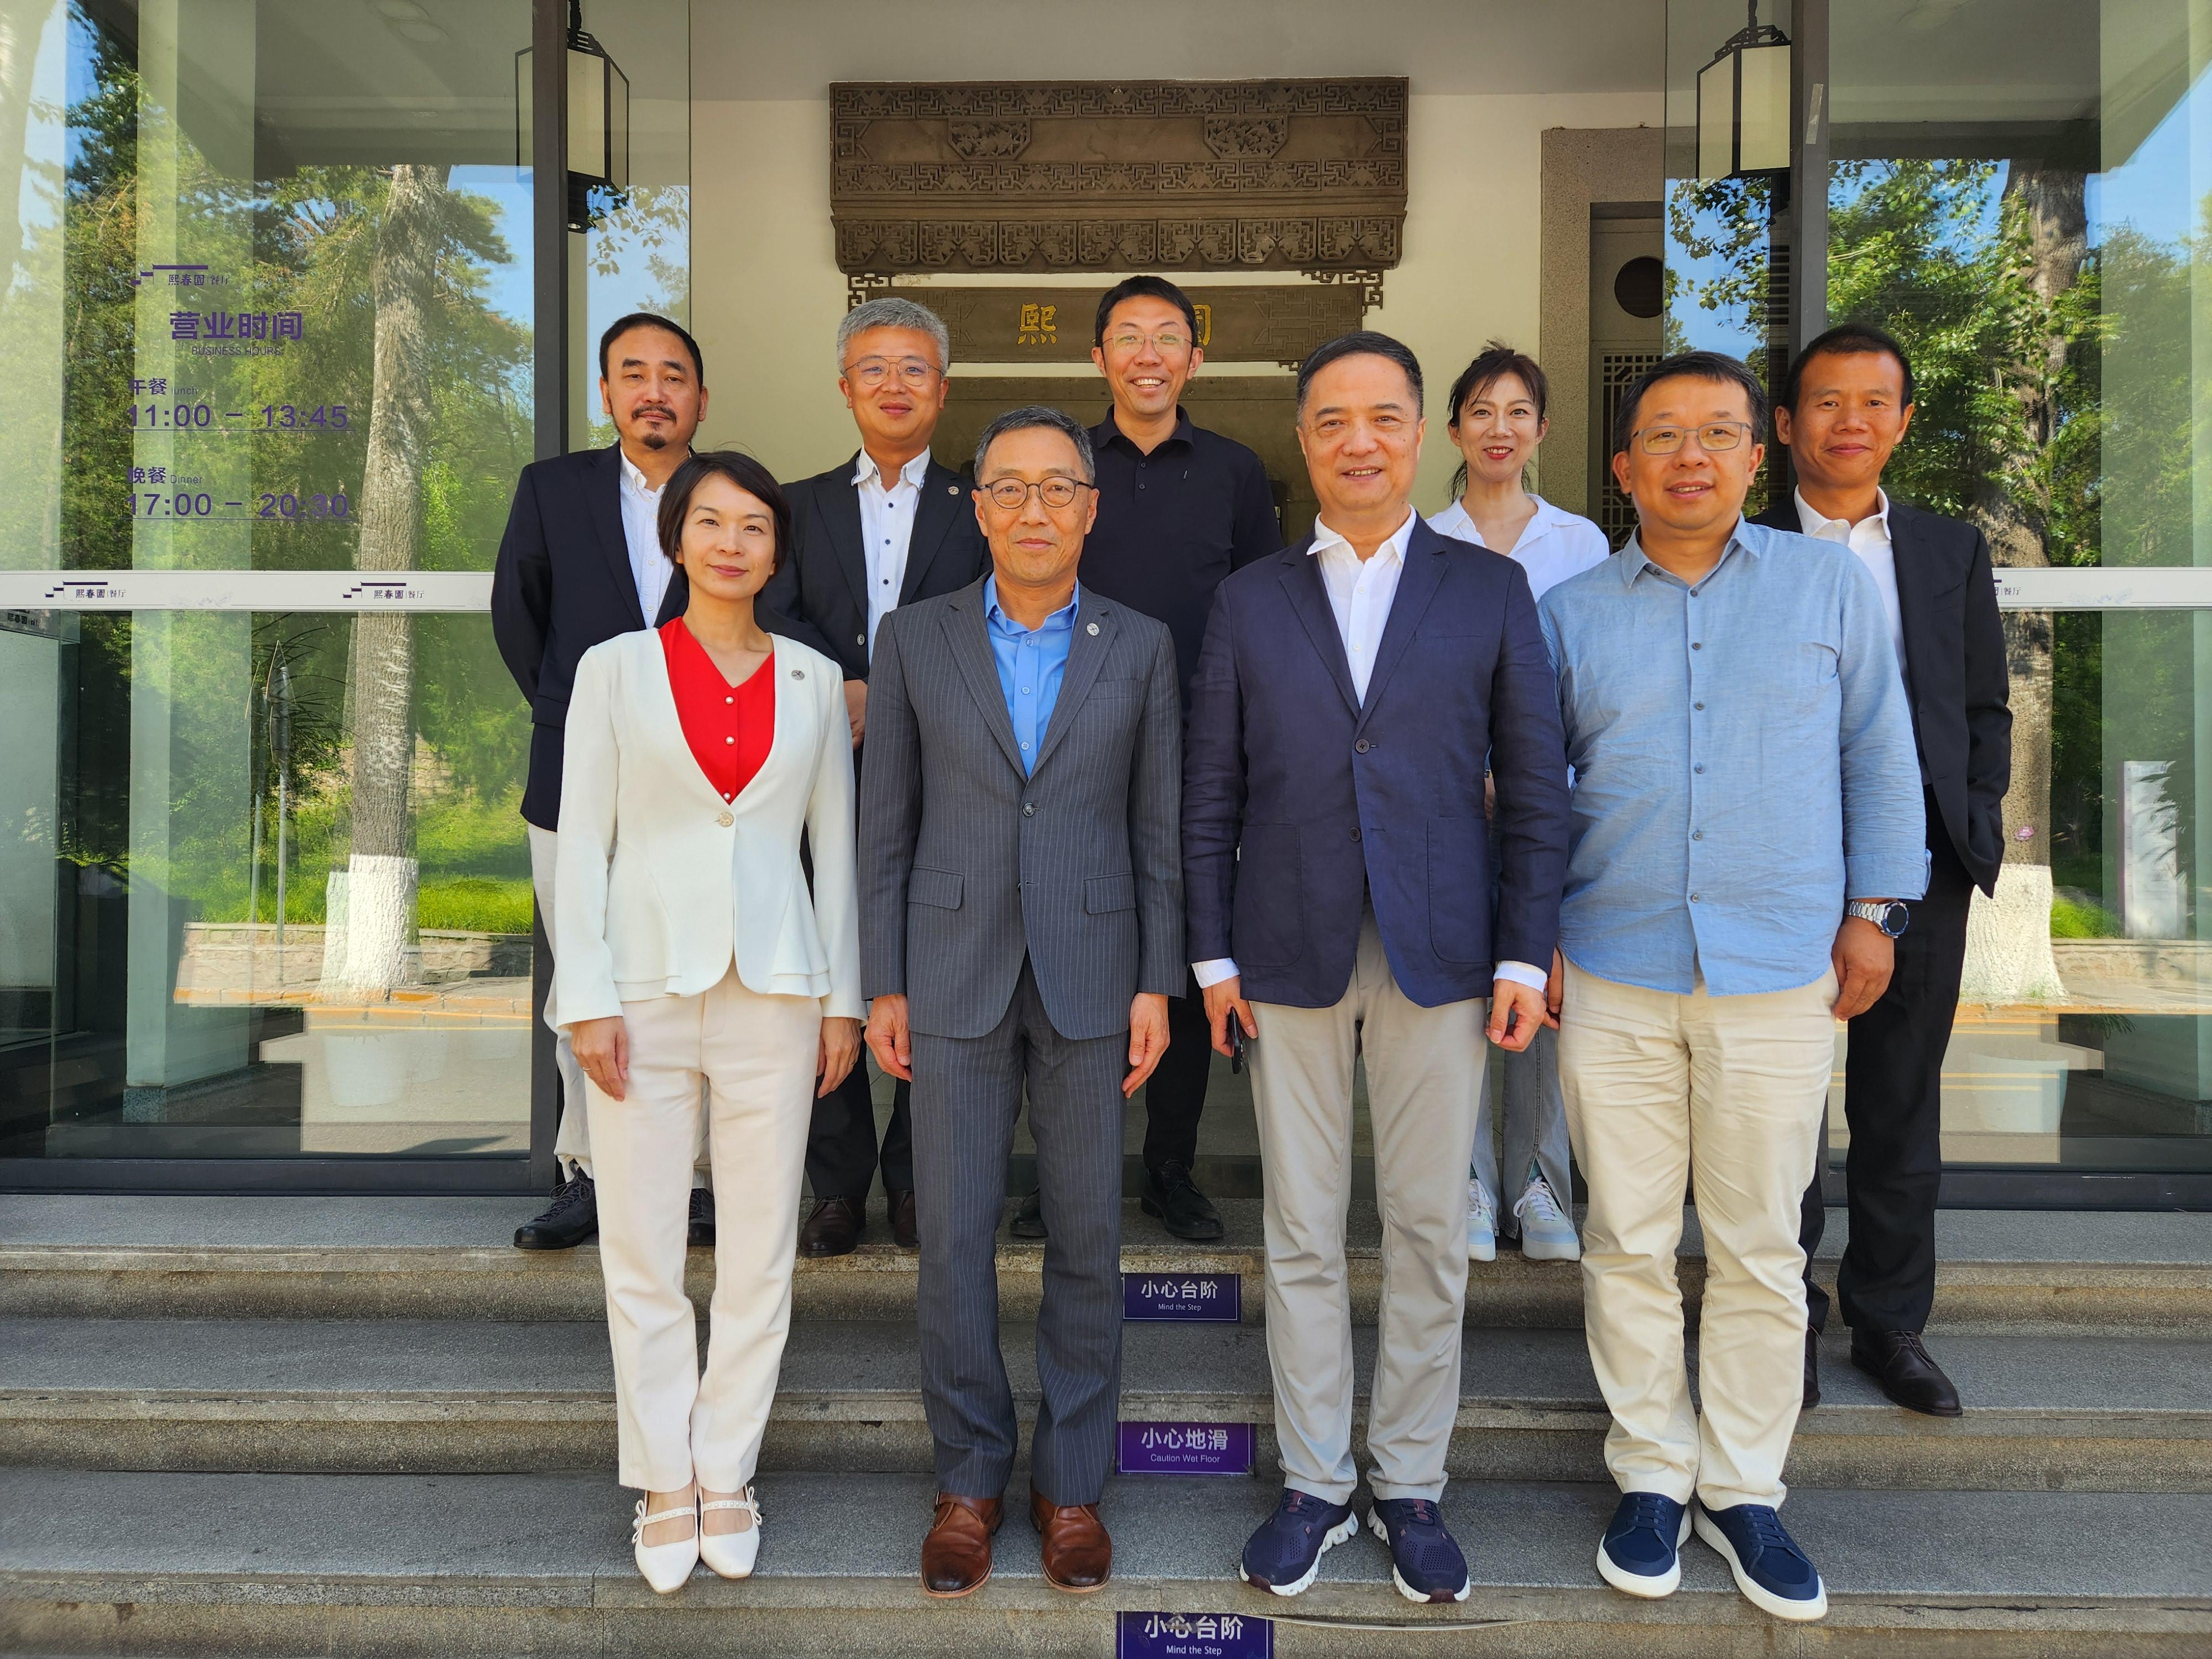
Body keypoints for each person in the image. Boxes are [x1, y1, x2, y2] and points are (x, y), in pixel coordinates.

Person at [1184, 332, 1570, 1605]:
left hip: (1442, 947)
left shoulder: (1486, 590)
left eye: (1384, 417)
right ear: (1303, 439)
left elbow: (1533, 789)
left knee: (1426, 1226)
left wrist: (1522, 951)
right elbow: (1208, 792)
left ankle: (1407, 1481)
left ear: (1419, 434)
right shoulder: (1248, 598)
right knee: (1299, 1227)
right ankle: (1312, 1482)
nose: (1359, 441)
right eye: (1332, 420)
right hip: (1281, 944)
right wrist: (1210, 954)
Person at [1541, 351, 1926, 1622]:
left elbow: (1879, 753)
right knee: (1626, 1239)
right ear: (1622, 467)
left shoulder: (1823, 587)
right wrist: (1530, 934)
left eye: (1716, 433)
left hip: (1776, 969)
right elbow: (1531, 791)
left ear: (1758, 457)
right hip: (1611, 963)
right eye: (1662, 435)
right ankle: (1652, 1473)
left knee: (1761, 1246)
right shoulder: (1570, 612)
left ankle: (1744, 1488)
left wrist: (1873, 913)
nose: (1689, 457)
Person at [858, 405, 1182, 1600]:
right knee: (952, 1241)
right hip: (950, 970)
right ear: (978, 506)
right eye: (1009, 488)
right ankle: (968, 1481)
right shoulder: (914, 638)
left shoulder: (1140, 644)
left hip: (1095, 970)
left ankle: (1071, 1487)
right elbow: (884, 825)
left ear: (1089, 509)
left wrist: (1157, 982)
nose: (1033, 509)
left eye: (1057, 488)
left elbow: (1158, 828)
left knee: (1088, 1239)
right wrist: (882, 980)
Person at [551, 451, 862, 1593]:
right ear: (676, 538)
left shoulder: (814, 680)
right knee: (639, 1248)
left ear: (777, 553)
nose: (732, 544)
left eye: (754, 528)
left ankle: (726, 1468)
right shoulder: (614, 669)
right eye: (711, 523)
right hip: (639, 994)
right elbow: (581, 844)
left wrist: (840, 999)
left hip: (775, 993)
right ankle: (661, 1477)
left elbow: (835, 852)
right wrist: (583, 998)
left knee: (758, 1248)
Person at [1757, 323, 2011, 1416]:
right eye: (1826, 401)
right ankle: (1781, 1320)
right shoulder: (1743, 541)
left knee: (1899, 1101)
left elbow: (1983, 705)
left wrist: (1972, 823)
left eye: (1873, 403)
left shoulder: (1949, 551)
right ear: (1784, 424)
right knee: (1775, 1110)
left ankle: (1890, 1322)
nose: (1849, 422)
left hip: (1921, 869)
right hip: (1776, 860)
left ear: (1903, 422)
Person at [1008, 274, 1280, 1246]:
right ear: (1099, 358)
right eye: (1129, 336)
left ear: (1195, 359)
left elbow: (1265, 609)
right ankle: (1063, 1171)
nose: (1149, 355)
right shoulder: (1066, 470)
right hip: (1075, 743)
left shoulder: (1237, 471)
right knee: (1066, 949)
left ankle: (1170, 1166)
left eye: (1169, 336)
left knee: (1184, 951)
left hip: (1199, 745)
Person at [761, 296, 989, 1259]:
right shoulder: (796, 505)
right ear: (845, 387)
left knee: (938, 962)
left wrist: (898, 689)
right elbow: (769, 610)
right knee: (830, 960)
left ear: (943, 388)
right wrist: (842, 686)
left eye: (913, 369)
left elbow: (997, 614)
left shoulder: (982, 503)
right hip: (822, 761)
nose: (894, 386)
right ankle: (838, 1184)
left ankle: (916, 1176)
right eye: (874, 369)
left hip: (952, 765)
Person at [494, 312, 714, 1251]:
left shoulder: (731, 493)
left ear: (700, 398)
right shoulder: (552, 489)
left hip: (708, 781)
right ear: (607, 393)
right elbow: (519, 616)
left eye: (673, 375)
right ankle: (586, 1174)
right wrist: (581, 718)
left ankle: (695, 1180)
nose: (654, 391)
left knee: (695, 980)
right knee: (583, 978)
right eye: (634, 373)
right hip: (571, 775)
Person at [1428, 342, 1610, 1265]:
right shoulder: (1424, 541)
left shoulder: (1581, 544)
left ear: (1541, 429)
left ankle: (1541, 1183)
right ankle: (1464, 1179)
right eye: (1482, 411)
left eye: (1518, 412)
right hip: (1449, 808)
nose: (1500, 429)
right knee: (1458, 989)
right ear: (1454, 428)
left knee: (1540, 982)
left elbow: (1592, 683)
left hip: (1552, 804)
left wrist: (1536, 777)